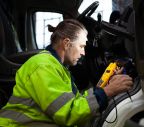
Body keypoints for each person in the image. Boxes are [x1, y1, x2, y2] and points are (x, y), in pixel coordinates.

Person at [0, 19, 133, 127]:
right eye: (81, 46)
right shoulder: (43, 66)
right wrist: (108, 91)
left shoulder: (58, 67)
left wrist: (105, 87)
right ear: (66, 43)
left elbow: (75, 102)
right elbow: (68, 113)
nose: (83, 53)